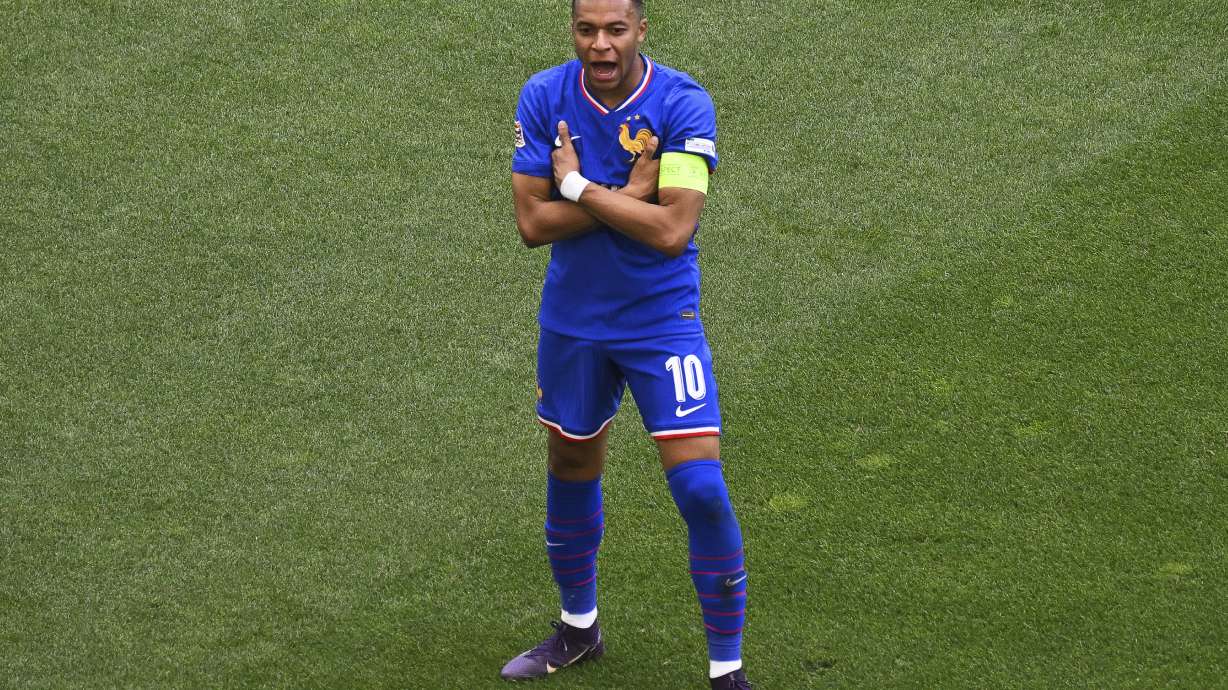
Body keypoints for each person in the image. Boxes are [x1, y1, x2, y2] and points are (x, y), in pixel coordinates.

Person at [503, 1, 751, 687]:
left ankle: (726, 671)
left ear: (643, 29)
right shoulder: (544, 96)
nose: (602, 45)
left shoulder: (683, 103)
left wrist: (578, 185)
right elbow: (531, 222)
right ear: (573, 31)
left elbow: (671, 229)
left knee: (701, 487)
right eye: (588, 30)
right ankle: (578, 629)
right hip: (574, 320)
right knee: (572, 459)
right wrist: (620, 195)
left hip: (661, 319)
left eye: (616, 30)